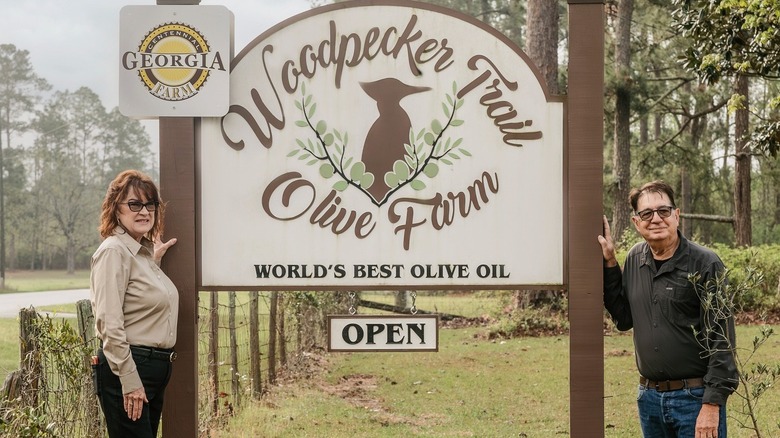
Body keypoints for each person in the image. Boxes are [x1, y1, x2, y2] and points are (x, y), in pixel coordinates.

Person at [597, 180, 738, 438]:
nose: (656, 219)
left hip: (695, 399)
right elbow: (624, 317)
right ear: (636, 222)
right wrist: (609, 262)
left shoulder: (705, 263)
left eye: (663, 210)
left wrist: (711, 405)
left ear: (676, 215)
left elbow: (722, 340)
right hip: (649, 399)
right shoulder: (634, 259)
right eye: (646, 213)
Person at [90, 170, 179, 438]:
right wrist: (130, 382)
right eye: (134, 204)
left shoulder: (141, 254)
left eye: (149, 204)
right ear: (116, 209)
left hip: (153, 371)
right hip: (128, 370)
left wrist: (154, 262)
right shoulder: (113, 251)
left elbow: (140, 299)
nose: (144, 211)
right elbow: (109, 322)